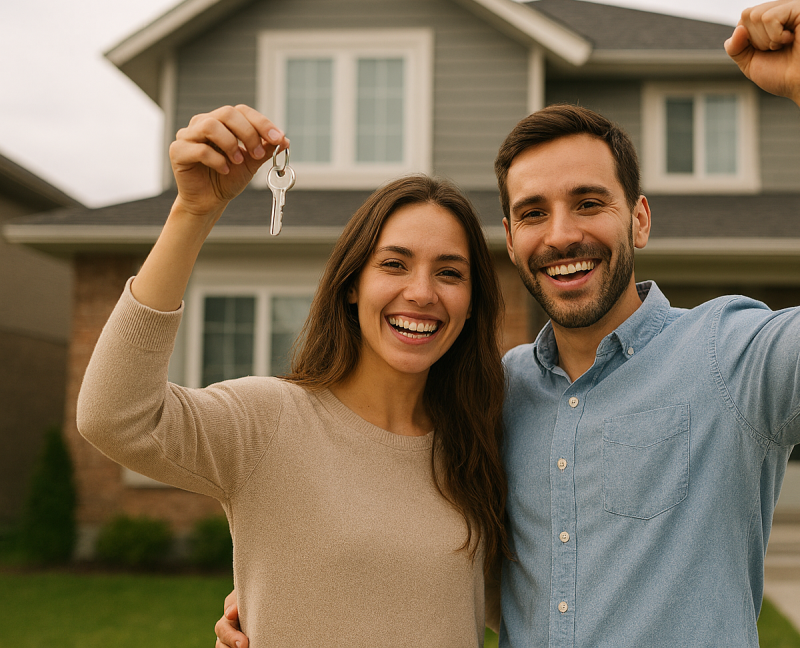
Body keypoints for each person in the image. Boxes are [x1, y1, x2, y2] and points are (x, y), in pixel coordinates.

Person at [215, 0, 800, 647]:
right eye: (534, 213)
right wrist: (287, 601)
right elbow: (449, 565)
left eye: (589, 202)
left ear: (639, 219)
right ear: (511, 236)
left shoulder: (729, 358)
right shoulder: (489, 394)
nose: (561, 233)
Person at [77, 106, 509, 647]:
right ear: (352, 285)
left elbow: (530, 603)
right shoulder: (269, 420)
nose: (422, 292)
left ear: (471, 304)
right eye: (394, 264)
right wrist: (193, 211)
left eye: (449, 273)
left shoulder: (478, 445)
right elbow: (114, 417)